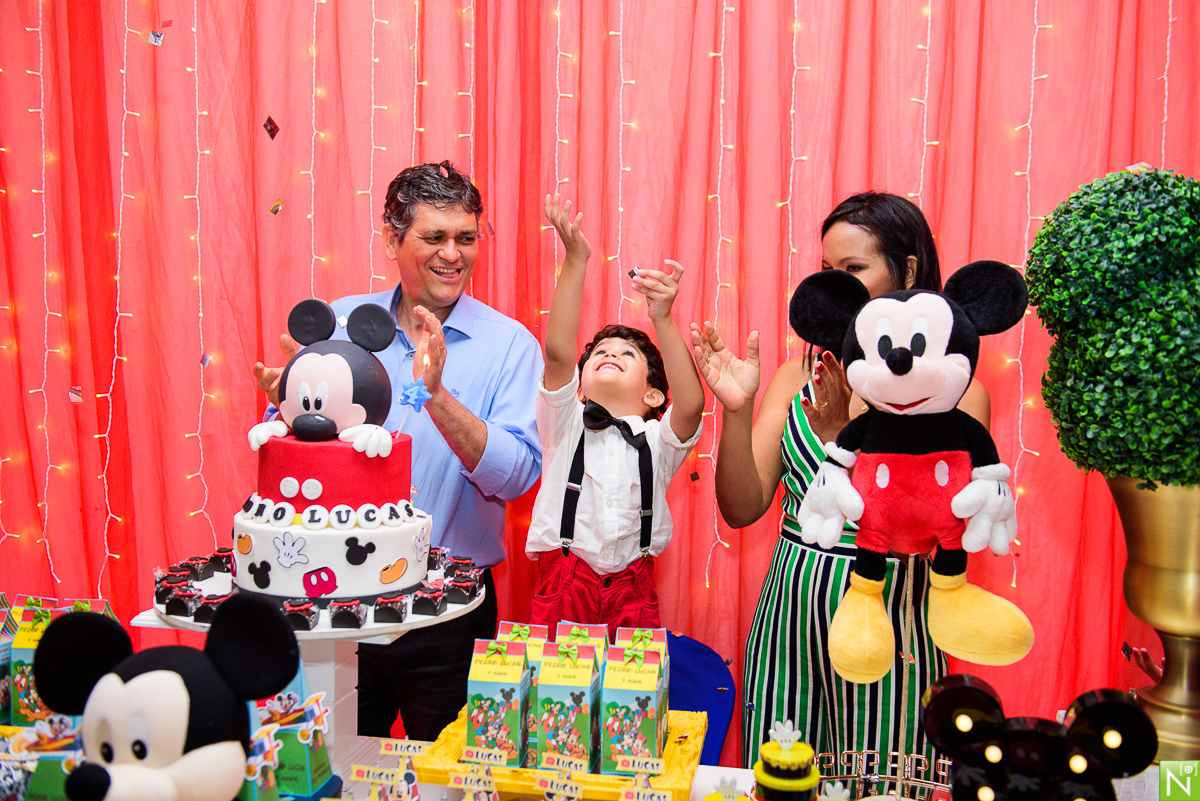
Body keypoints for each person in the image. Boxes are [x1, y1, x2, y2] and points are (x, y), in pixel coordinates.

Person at [690, 192, 991, 772]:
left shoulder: (955, 392)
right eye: (829, 272)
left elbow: (938, 529)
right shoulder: (798, 373)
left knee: (885, 771)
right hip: (793, 609)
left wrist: (844, 437)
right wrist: (736, 409)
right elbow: (741, 509)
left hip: (893, 609)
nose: (839, 288)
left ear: (905, 271)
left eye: (854, 270)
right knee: (784, 774)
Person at [252, 161, 543, 740]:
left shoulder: (510, 345)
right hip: (333, 606)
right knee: (333, 764)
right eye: (434, 237)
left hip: (449, 611)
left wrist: (438, 396)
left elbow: (517, 479)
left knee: (451, 776)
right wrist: (285, 412)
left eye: (466, 237)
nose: (453, 254)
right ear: (392, 239)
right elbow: (281, 452)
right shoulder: (338, 323)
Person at [524, 194, 704, 634]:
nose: (610, 354)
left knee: (632, 698)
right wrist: (576, 260)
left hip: (635, 588)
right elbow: (559, 352)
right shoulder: (563, 424)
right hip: (564, 582)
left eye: (627, 353)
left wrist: (663, 318)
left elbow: (693, 404)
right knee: (556, 695)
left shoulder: (659, 443)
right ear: (580, 386)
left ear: (655, 396)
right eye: (601, 351)